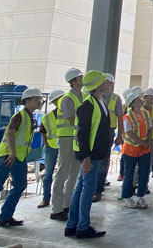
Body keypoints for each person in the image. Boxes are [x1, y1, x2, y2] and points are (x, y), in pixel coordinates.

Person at [0, 88, 43, 235]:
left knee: (20, 185)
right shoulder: (19, 116)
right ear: (27, 100)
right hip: (7, 157)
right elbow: (9, 133)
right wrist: (12, 153)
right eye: (36, 99)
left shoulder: (30, 117)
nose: (39, 102)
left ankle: (5, 217)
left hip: (19, 157)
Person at [64, 71, 111, 239]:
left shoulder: (99, 102)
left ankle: (72, 224)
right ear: (97, 86)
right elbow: (83, 134)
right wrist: (86, 158)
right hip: (90, 155)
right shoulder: (87, 106)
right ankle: (82, 227)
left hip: (94, 154)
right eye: (104, 81)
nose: (108, 83)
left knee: (80, 188)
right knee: (86, 190)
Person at [50, 68, 84, 221]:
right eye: (80, 77)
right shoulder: (67, 99)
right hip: (66, 138)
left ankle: (67, 205)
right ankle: (56, 209)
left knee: (74, 173)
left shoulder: (82, 97)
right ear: (73, 81)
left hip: (76, 138)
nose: (82, 79)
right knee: (63, 172)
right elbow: (72, 120)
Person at [93, 73, 122, 201]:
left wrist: (119, 135)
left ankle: (98, 189)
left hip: (109, 131)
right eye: (106, 82)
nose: (107, 85)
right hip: (96, 130)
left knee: (104, 160)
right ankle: (93, 186)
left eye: (109, 83)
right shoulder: (96, 97)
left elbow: (120, 118)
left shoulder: (116, 99)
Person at [121, 90, 152, 209]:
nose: (141, 100)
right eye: (138, 100)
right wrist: (142, 142)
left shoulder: (146, 114)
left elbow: (150, 128)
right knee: (129, 173)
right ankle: (127, 197)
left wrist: (147, 141)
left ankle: (140, 196)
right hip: (131, 149)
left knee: (144, 173)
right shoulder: (127, 117)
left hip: (144, 148)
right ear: (133, 103)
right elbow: (129, 133)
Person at [38, 89, 66, 210]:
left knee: (64, 174)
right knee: (48, 174)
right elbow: (43, 131)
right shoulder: (47, 117)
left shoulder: (67, 114)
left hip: (65, 147)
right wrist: (46, 144)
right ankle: (45, 198)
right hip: (51, 148)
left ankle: (62, 199)